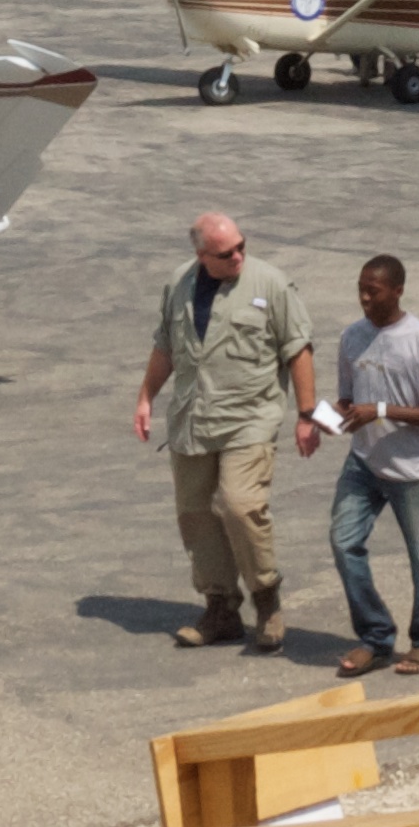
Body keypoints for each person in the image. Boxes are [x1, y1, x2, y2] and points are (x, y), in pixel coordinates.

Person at [133, 211, 318, 648]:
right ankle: (220, 608)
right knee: (195, 514)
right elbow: (165, 346)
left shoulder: (270, 284)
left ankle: (266, 599)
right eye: (226, 253)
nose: (238, 256)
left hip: (249, 418)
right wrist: (145, 397)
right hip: (193, 419)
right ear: (202, 256)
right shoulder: (179, 284)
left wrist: (307, 415)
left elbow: (298, 348)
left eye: (241, 246)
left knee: (240, 506)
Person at [326, 254, 419, 678]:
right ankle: (376, 637)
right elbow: (348, 400)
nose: (364, 298)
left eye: (373, 291)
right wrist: (332, 418)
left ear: (397, 290)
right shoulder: (352, 337)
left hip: (410, 470)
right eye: (360, 289)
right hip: (363, 463)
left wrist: (379, 410)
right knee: (344, 542)